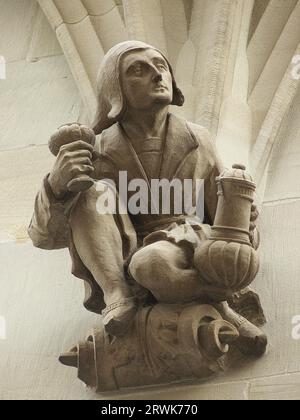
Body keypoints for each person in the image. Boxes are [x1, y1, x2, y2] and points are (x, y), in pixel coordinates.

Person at [29, 41, 261, 346]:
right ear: (115, 89)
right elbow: (44, 236)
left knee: (150, 264)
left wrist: (245, 219)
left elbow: (226, 221)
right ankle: (117, 292)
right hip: (124, 245)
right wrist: (57, 186)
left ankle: (222, 306)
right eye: (138, 70)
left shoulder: (198, 138)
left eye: (161, 66)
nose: (156, 75)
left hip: (188, 239)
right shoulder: (95, 150)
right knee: (91, 193)